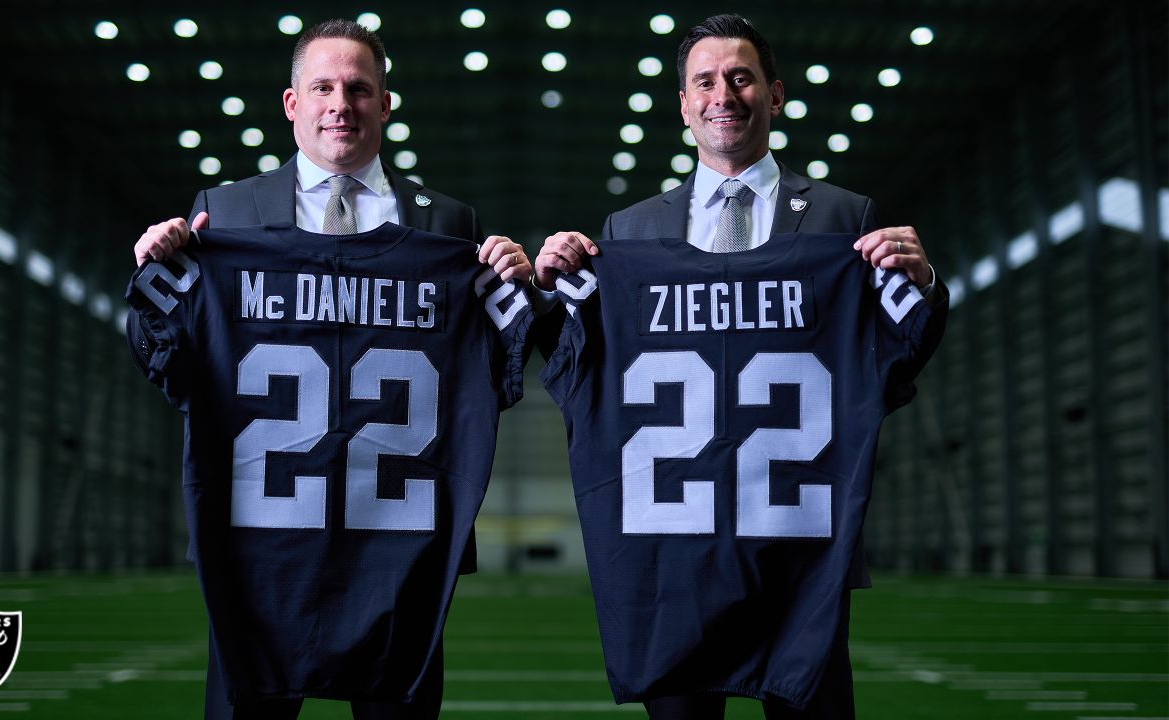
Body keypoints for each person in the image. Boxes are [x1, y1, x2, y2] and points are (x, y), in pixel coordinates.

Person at [532, 14, 947, 720]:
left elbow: (897, 354)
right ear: (684, 104)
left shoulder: (844, 218)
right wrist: (551, 293)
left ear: (775, 94)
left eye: (741, 77)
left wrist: (925, 282)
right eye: (705, 80)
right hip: (673, 544)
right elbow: (587, 370)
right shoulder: (628, 233)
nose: (724, 93)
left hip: (800, 541)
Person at [130, 18, 531, 720]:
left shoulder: (448, 227)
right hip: (262, 543)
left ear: (385, 103)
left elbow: (491, 376)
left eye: (359, 89)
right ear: (293, 103)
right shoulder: (222, 216)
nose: (340, 104)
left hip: (399, 546)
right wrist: (150, 280)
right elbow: (171, 368)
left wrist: (519, 288)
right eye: (323, 87)